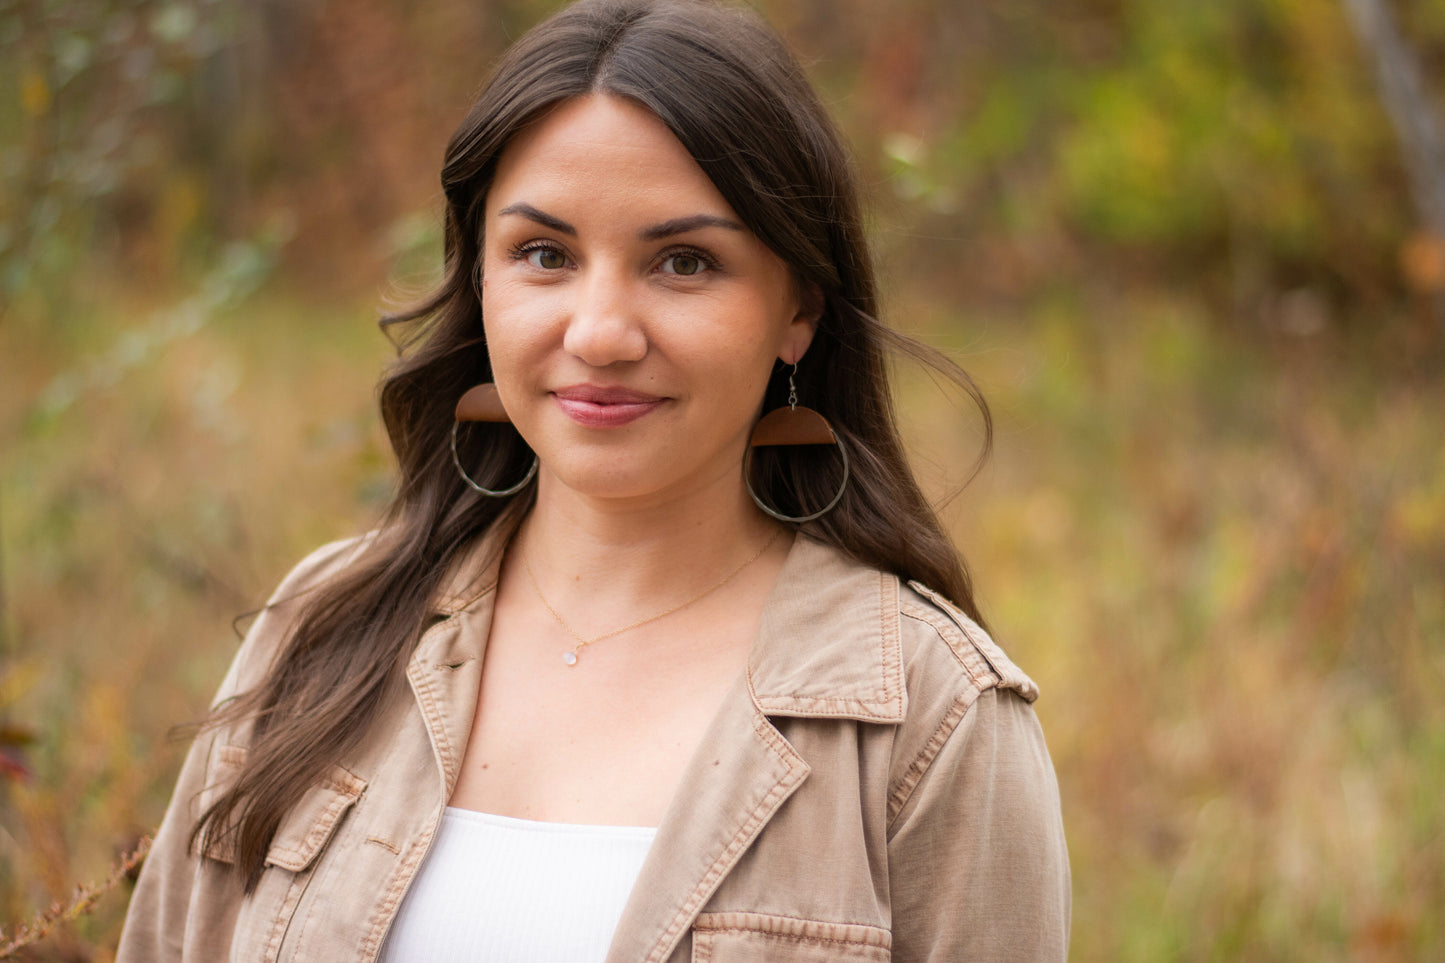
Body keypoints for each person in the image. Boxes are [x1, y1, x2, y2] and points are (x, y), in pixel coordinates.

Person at [118, 0, 1070, 959]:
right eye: (543, 255)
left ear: (798, 311)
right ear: (479, 280)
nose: (600, 333)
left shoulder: (933, 719)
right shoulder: (322, 627)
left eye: (683, 262)